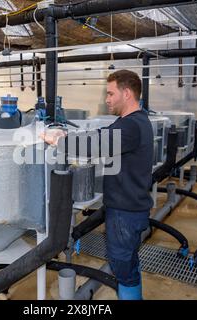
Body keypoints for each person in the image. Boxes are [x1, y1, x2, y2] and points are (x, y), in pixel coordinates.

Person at [41, 70, 154, 300]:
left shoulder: (132, 126)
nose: (107, 99)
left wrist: (60, 141)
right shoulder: (130, 122)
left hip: (126, 212)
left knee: (123, 268)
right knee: (128, 264)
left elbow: (98, 145)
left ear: (127, 93)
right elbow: (103, 134)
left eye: (111, 94)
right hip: (127, 208)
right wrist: (69, 133)